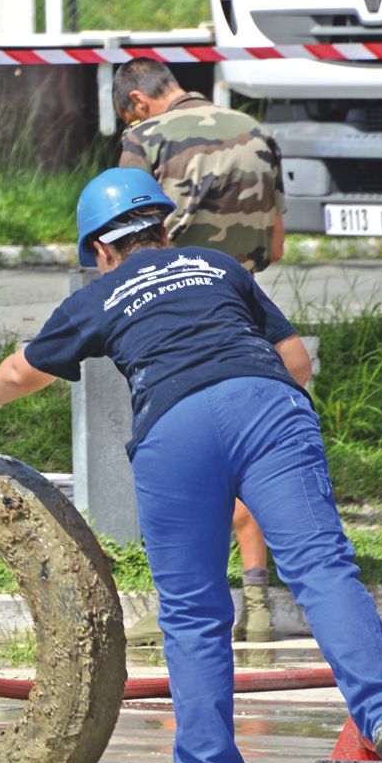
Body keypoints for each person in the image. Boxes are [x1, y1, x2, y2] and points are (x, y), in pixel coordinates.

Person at [0, 168, 382, 763]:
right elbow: (295, 361)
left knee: (194, 613)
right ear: (162, 228)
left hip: (174, 429)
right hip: (268, 405)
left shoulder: (101, 293)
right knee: (323, 572)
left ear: (100, 249)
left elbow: (17, 372)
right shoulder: (214, 264)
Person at [115, 58, 287, 641]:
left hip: (178, 320)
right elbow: (278, 242)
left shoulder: (144, 138)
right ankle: (259, 606)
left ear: (137, 101)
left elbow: (126, 239)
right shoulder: (255, 129)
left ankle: (181, 604)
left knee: (192, 462)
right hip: (251, 307)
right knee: (254, 456)